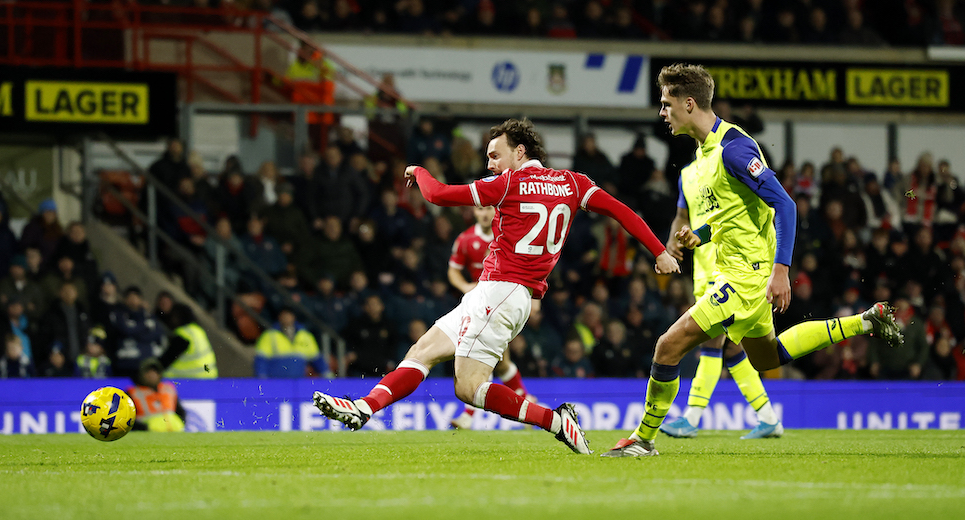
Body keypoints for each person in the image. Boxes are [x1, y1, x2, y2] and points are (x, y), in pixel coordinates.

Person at [314, 118, 680, 454]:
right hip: (502, 293)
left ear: (520, 151)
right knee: (422, 350)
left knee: (468, 387)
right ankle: (364, 408)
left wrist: (418, 170)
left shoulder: (509, 183)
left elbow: (437, 194)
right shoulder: (573, 183)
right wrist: (659, 251)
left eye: (495, 155)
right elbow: (623, 212)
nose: (490, 163)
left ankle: (556, 421)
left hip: (500, 291)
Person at [604, 64, 903, 458]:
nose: (662, 112)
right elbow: (735, 215)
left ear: (689, 104)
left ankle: (643, 439)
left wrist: (781, 270)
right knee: (767, 356)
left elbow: (785, 205)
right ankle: (865, 321)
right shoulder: (704, 154)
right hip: (738, 272)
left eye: (666, 104)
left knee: (667, 347)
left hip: (747, 277)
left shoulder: (734, 148)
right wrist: (701, 235)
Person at [657, 159, 784, 440]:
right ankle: (768, 418)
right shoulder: (687, 175)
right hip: (703, 268)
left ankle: (691, 417)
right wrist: (672, 239)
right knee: (733, 348)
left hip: (731, 266)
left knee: (713, 342)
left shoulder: (727, 166)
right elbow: (682, 215)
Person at [447, 205, 534, 429]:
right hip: (478, 305)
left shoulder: (508, 234)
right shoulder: (465, 239)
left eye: (488, 208)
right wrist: (465, 286)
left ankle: (469, 415)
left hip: (502, 303)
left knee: (488, 357)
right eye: (479, 209)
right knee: (500, 362)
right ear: (474, 212)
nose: (484, 214)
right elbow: (453, 270)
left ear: (496, 210)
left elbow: (528, 265)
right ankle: (526, 401)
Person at [253, 305, 329, 378]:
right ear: (279, 317)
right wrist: (261, 376)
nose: (286, 318)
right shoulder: (270, 336)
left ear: (294, 317)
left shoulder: (305, 336)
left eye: (289, 315)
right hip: (276, 382)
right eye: (284, 315)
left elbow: (316, 358)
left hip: (298, 382)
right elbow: (261, 359)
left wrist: (326, 373)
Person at [126, 358, 187, 432]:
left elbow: (180, 411)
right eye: (148, 372)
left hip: (174, 430)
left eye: (155, 371)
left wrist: (180, 423)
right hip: (148, 431)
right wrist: (144, 428)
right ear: (141, 374)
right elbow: (127, 417)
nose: (152, 375)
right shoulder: (133, 393)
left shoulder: (169, 389)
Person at [159, 303, 218, 378]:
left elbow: (167, 359)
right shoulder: (198, 330)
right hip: (210, 376)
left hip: (190, 379)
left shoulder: (184, 334)